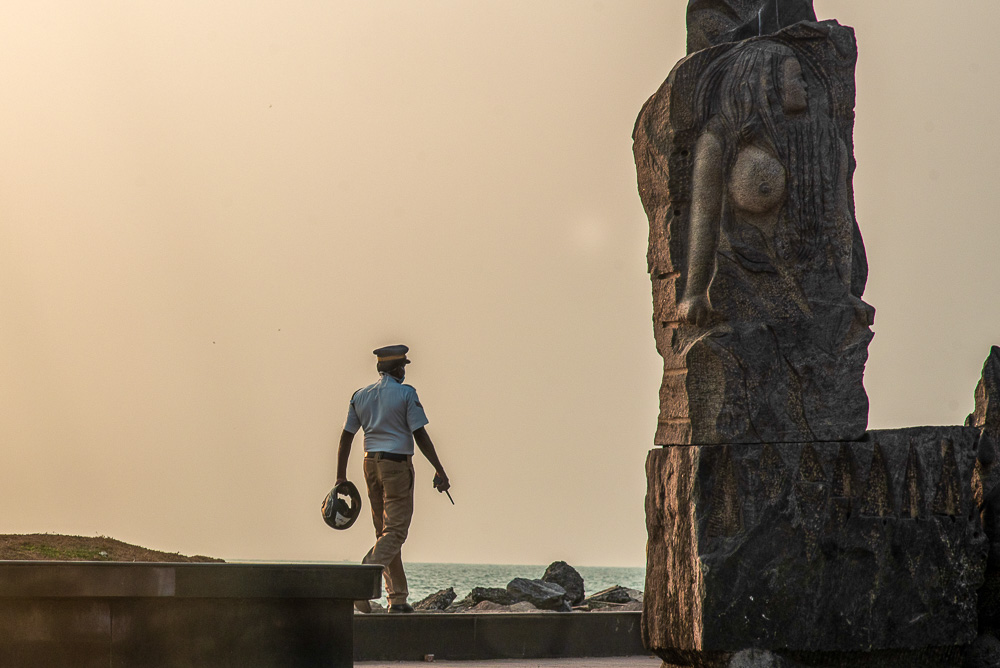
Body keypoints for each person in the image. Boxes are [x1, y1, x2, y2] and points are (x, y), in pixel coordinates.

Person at [336, 344, 450, 613]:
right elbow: (420, 434)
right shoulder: (406, 394)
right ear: (398, 369)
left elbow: (346, 436)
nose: (404, 372)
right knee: (396, 531)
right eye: (403, 367)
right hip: (396, 466)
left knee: (383, 532)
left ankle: (396, 597)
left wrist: (340, 476)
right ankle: (362, 579)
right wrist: (440, 470)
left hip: (369, 464)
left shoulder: (360, 395)